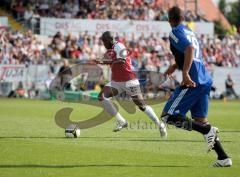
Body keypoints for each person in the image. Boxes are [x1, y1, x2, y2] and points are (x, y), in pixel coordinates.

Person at [160, 6, 232, 167]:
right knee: (200, 121)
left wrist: (185, 74)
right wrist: (175, 66)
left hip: (193, 81)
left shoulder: (174, 32)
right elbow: (190, 52)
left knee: (168, 116)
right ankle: (223, 157)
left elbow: (190, 49)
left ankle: (208, 131)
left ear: (169, 19)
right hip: (204, 80)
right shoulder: (190, 32)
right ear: (183, 18)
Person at [93, 31, 167, 137]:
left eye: (104, 42)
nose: (103, 44)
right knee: (102, 96)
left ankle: (160, 125)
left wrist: (105, 62)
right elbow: (116, 61)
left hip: (129, 80)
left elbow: (122, 61)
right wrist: (103, 62)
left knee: (141, 105)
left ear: (109, 40)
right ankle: (122, 121)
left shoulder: (119, 46)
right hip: (116, 81)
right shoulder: (112, 49)